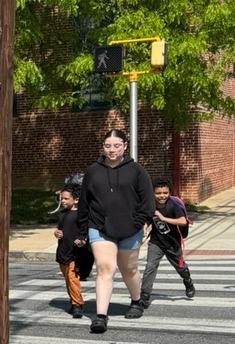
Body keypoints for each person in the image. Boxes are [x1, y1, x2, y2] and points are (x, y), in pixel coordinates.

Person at [77, 129, 155, 333]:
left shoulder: (137, 170)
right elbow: (85, 201)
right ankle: (100, 316)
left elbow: (147, 201)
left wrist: (138, 222)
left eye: (116, 146)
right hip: (99, 227)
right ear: (102, 147)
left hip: (130, 229)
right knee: (104, 268)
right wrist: (82, 230)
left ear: (124, 146)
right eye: (108, 146)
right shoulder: (93, 171)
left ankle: (137, 300)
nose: (112, 150)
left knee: (129, 269)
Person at [140, 177, 194, 305]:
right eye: (158, 193)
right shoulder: (150, 204)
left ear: (169, 192)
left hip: (173, 244)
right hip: (156, 242)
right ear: (153, 193)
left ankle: (188, 281)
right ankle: (145, 296)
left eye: (165, 193)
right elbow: (148, 219)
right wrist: (144, 230)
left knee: (181, 267)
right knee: (150, 267)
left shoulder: (173, 205)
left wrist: (164, 218)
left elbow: (183, 221)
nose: (161, 196)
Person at [52, 183, 92, 318]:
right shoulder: (62, 214)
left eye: (65, 198)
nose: (62, 201)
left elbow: (85, 230)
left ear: (76, 199)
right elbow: (59, 229)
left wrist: (82, 239)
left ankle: (77, 304)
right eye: (61, 198)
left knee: (72, 277)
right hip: (63, 250)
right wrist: (57, 233)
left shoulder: (81, 214)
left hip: (76, 252)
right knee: (68, 279)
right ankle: (73, 300)